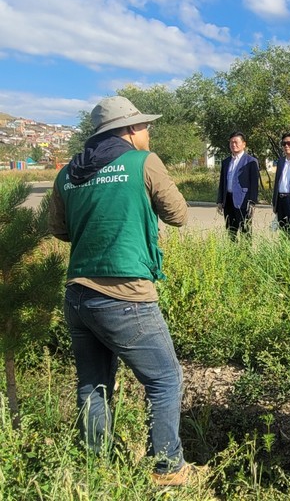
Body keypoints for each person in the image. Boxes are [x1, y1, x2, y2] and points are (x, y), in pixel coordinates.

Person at [49, 96, 191, 486]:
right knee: (165, 379)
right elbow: (179, 214)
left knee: (92, 384)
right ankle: (168, 469)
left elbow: (59, 229)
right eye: (143, 125)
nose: (148, 131)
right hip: (125, 294)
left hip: (78, 295)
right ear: (128, 130)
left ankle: (95, 469)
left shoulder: (67, 173)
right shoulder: (144, 162)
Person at [217, 132, 259, 238]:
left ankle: (246, 250)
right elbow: (222, 182)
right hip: (228, 201)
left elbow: (254, 184)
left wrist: (252, 202)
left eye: (236, 142)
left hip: (243, 201)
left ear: (244, 144)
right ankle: (232, 249)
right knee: (231, 232)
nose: (233, 144)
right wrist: (220, 200)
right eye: (231, 142)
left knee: (245, 232)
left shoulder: (251, 161)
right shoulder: (226, 162)